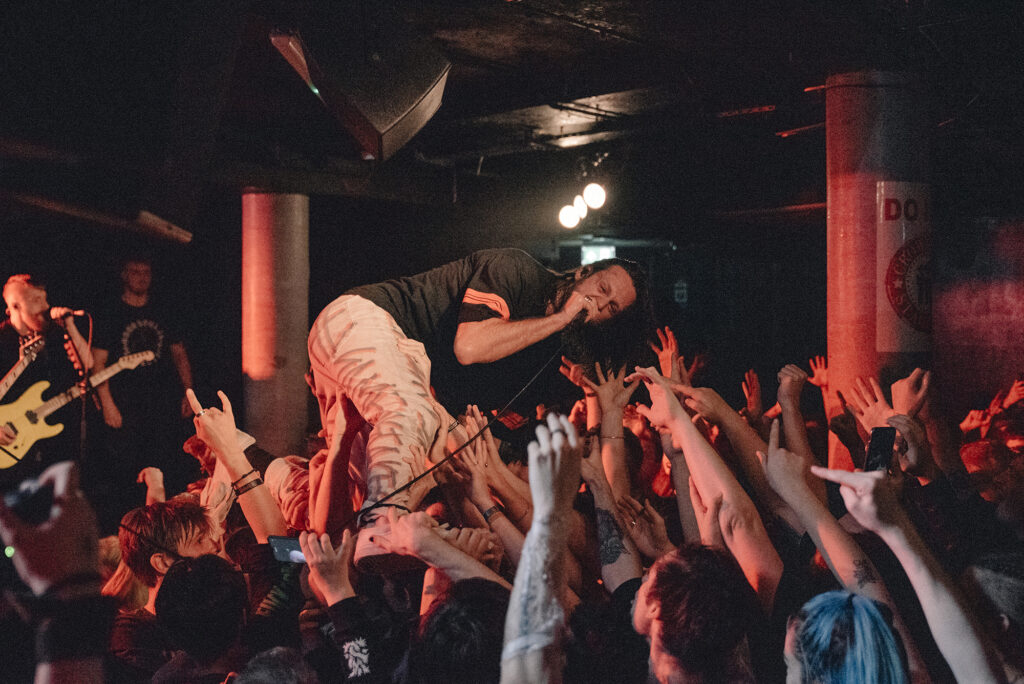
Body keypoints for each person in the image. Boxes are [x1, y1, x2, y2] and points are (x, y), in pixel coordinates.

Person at [308, 248, 651, 570]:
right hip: (365, 321)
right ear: (583, 272)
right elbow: (468, 347)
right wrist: (561, 319)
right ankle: (381, 528)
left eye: (611, 308)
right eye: (601, 288)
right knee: (413, 414)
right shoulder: (516, 269)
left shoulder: (540, 351)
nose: (599, 303)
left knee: (411, 467)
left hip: (395, 372)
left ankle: (353, 555)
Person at [92, 256, 196, 498]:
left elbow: (179, 354)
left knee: (164, 464)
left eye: (146, 272)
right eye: (136, 271)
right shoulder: (111, 313)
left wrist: (188, 392)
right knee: (127, 471)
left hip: (161, 401)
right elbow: (98, 364)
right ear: (124, 275)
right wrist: (107, 404)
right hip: (125, 402)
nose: (142, 277)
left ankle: (162, 523)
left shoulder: (162, 309)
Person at [0, 274, 93, 487]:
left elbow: (87, 365)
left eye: (45, 299)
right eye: (35, 300)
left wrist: (69, 324)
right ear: (14, 307)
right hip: (11, 450)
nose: (45, 306)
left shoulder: (56, 332)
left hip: (52, 442)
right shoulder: (2, 340)